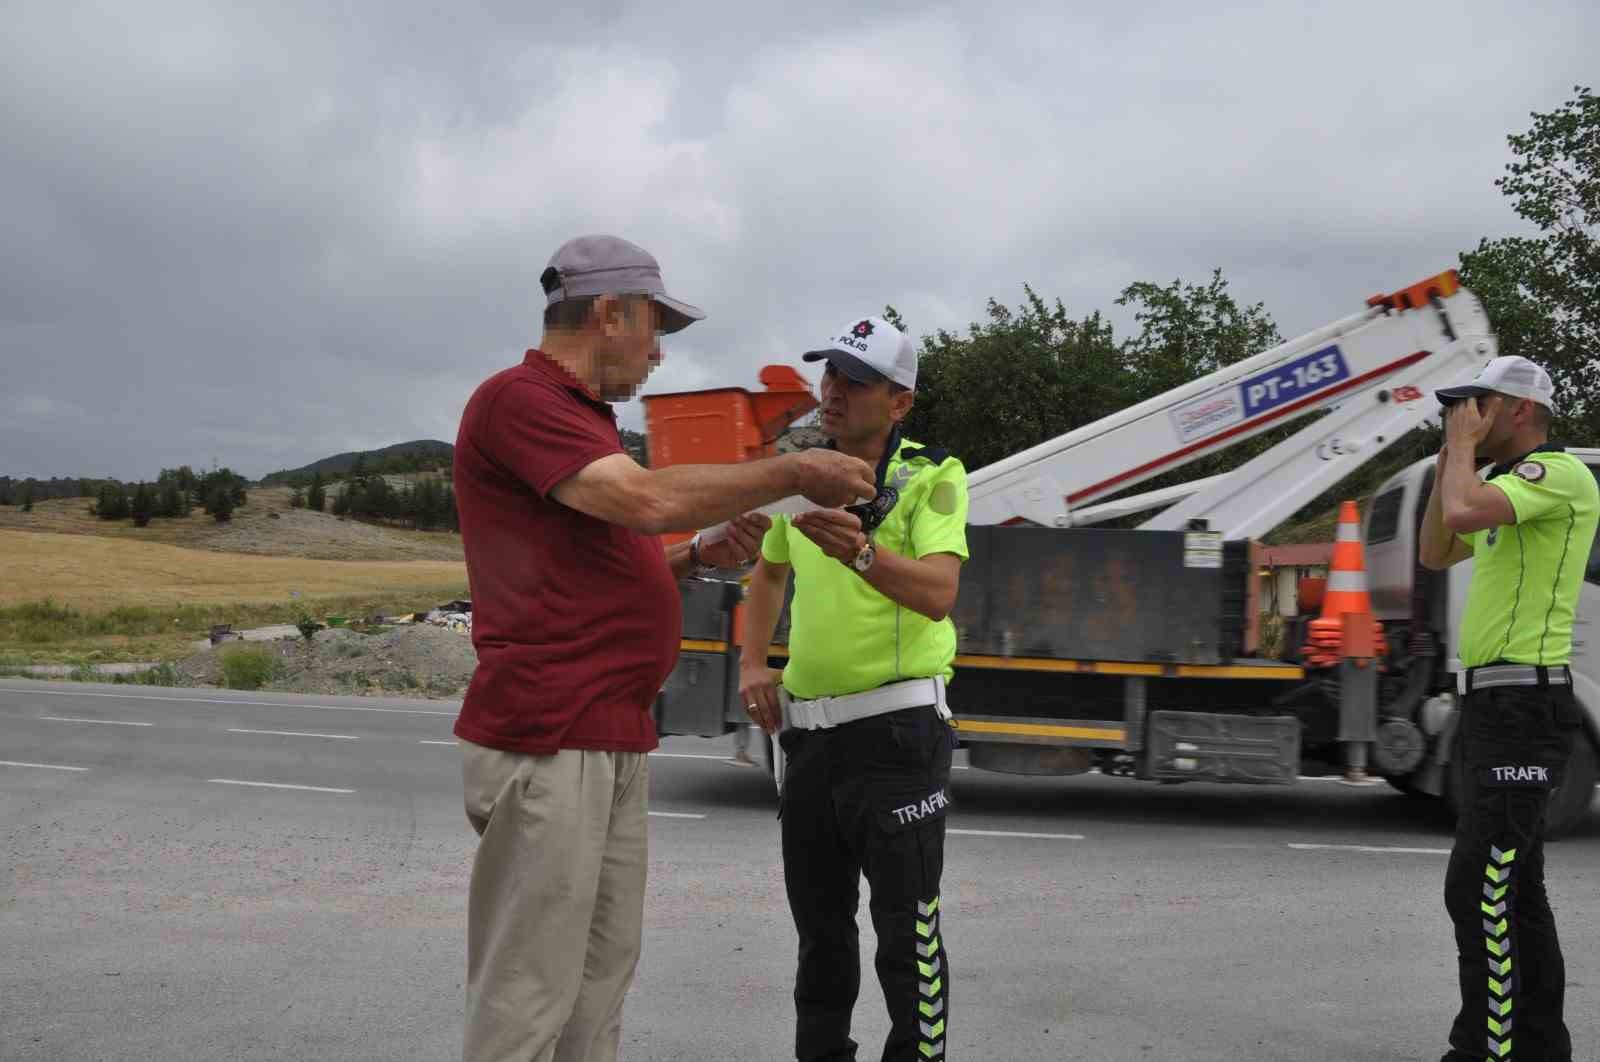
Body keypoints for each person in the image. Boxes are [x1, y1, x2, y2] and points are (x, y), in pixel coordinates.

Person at [451, 234, 876, 1062]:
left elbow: (602, 552)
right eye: (655, 330)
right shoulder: (519, 400)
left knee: (597, 977)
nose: (657, 354)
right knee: (531, 989)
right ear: (609, 314)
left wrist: (693, 556)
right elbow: (641, 501)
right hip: (552, 735)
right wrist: (793, 472)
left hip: (604, 736)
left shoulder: (584, 422)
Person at [740, 316, 969, 1062]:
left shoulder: (933, 475)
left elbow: (938, 593)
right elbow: (768, 570)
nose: (831, 391)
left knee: (907, 932)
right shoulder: (800, 473)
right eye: (828, 373)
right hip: (808, 736)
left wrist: (867, 555)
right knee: (820, 932)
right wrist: (752, 665)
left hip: (897, 734)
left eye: (854, 379)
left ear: (898, 402)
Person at [1419, 355, 1597, 1062]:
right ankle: (1540, 1048)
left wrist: (1463, 452)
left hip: (1525, 705)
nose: (1470, 415)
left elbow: (1461, 513)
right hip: (1494, 708)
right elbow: (1437, 547)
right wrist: (1449, 451)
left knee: (1478, 887)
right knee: (1517, 889)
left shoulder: (1555, 475)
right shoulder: (1493, 485)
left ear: (1522, 410)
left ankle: (1486, 1052)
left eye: (1480, 404)